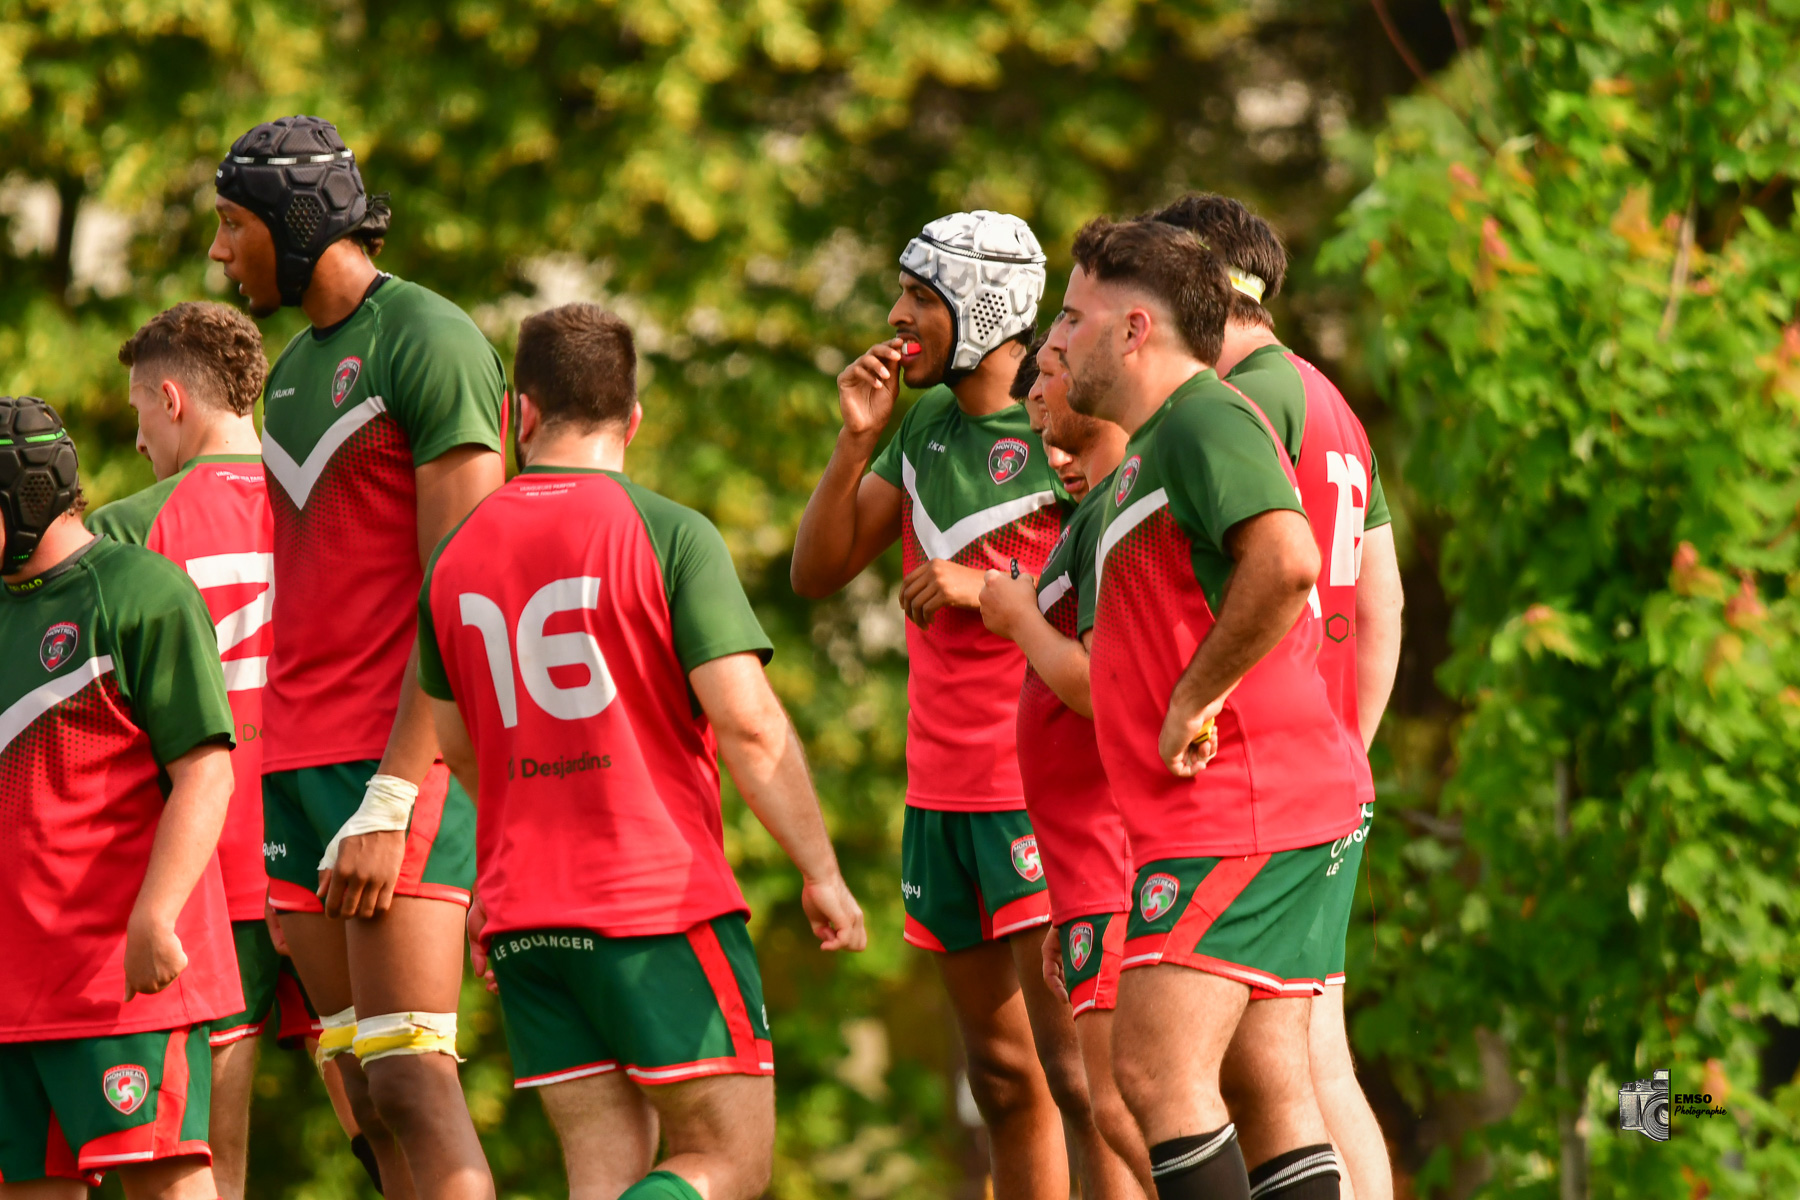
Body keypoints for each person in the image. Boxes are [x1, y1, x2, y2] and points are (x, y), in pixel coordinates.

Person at [417, 304, 866, 1200]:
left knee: (603, 1174)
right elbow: (749, 724)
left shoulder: (453, 557)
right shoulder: (668, 531)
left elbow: (459, 746)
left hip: (523, 919)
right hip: (651, 905)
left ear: (521, 415)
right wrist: (819, 868)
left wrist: (493, 878)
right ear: (635, 419)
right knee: (730, 1161)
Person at [210, 114, 506, 1200]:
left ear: (292, 226)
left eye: (232, 225)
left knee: (416, 1082)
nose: (218, 252)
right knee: (367, 1102)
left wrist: (395, 792)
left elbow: (465, 588)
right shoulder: (289, 371)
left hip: (394, 765)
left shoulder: (428, 338)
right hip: (294, 766)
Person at [1048, 218, 1360, 1200]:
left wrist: (1194, 695)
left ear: (1134, 329)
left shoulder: (1201, 417)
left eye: (1073, 316)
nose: (1056, 339)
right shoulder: (1148, 453)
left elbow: (1289, 559)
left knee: (1150, 1070)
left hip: (1243, 806)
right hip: (1233, 810)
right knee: (1265, 1084)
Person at [792, 212, 1099, 1199]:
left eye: (921, 297)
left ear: (984, 307)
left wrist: (982, 588)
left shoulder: (1068, 425)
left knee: (1082, 1080)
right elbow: (817, 569)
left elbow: (1124, 607)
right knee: (1004, 1083)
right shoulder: (919, 426)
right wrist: (854, 443)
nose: (897, 317)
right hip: (941, 798)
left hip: (1034, 794)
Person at [1151, 194, 1403, 1200]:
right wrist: (1352, 753)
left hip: (1264, 777)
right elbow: (1380, 604)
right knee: (1302, 1054)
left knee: (1239, 1063)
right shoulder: (1326, 397)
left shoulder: (1242, 404)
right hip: (1321, 768)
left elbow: (1281, 571)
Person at [0, 397, 238, 1198]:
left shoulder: (141, 591)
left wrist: (156, 914)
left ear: (20, 493)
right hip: (11, 997)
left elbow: (207, 769)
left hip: (121, 986)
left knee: (167, 1186)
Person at [979, 336, 1154, 1200]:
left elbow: (1098, 688)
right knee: (1107, 1110)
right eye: (1046, 444)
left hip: (1119, 874)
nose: (1055, 459)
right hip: (1084, 879)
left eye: (1072, 442)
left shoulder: (1120, 515)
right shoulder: (1087, 520)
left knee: (1128, 1111)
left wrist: (1015, 618)